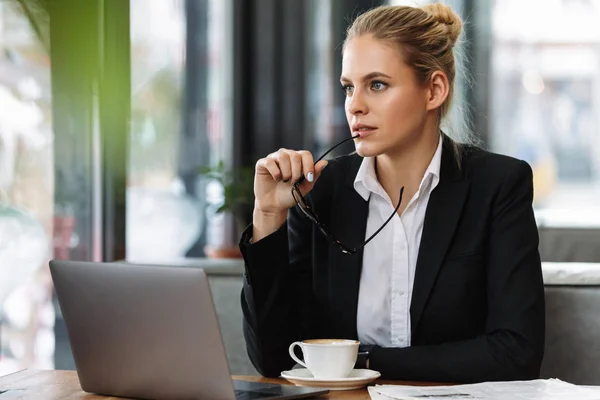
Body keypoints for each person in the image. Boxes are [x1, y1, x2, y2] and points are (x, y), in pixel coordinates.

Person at [238, 3, 545, 383]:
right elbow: (274, 358)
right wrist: (268, 215)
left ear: (433, 90)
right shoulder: (322, 190)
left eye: (377, 85)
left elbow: (517, 353)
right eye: (349, 87)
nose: (355, 105)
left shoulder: (498, 185)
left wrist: (363, 362)